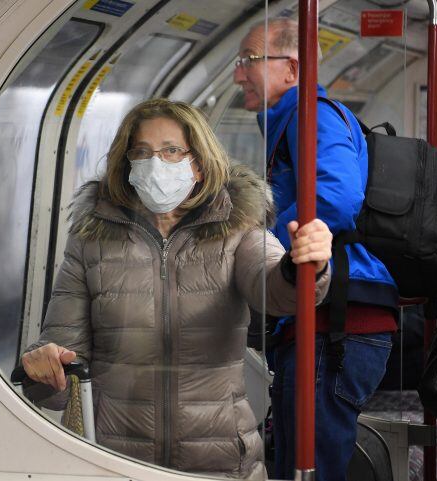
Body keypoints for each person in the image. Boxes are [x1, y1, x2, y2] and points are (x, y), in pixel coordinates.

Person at [20, 98, 334, 480]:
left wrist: (303, 267)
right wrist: (42, 370)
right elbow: (62, 373)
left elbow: (274, 290)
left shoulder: (236, 227)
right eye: (142, 152)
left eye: (171, 151)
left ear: (198, 165)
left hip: (220, 460)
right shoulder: (92, 239)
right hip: (115, 460)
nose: (156, 164)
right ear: (128, 164)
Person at [234, 18, 398, 481]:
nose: (237, 75)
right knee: (293, 458)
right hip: (337, 319)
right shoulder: (293, 120)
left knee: (310, 467)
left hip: (339, 321)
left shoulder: (312, 115)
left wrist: (268, 254)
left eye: (248, 62)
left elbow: (338, 198)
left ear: (290, 68)